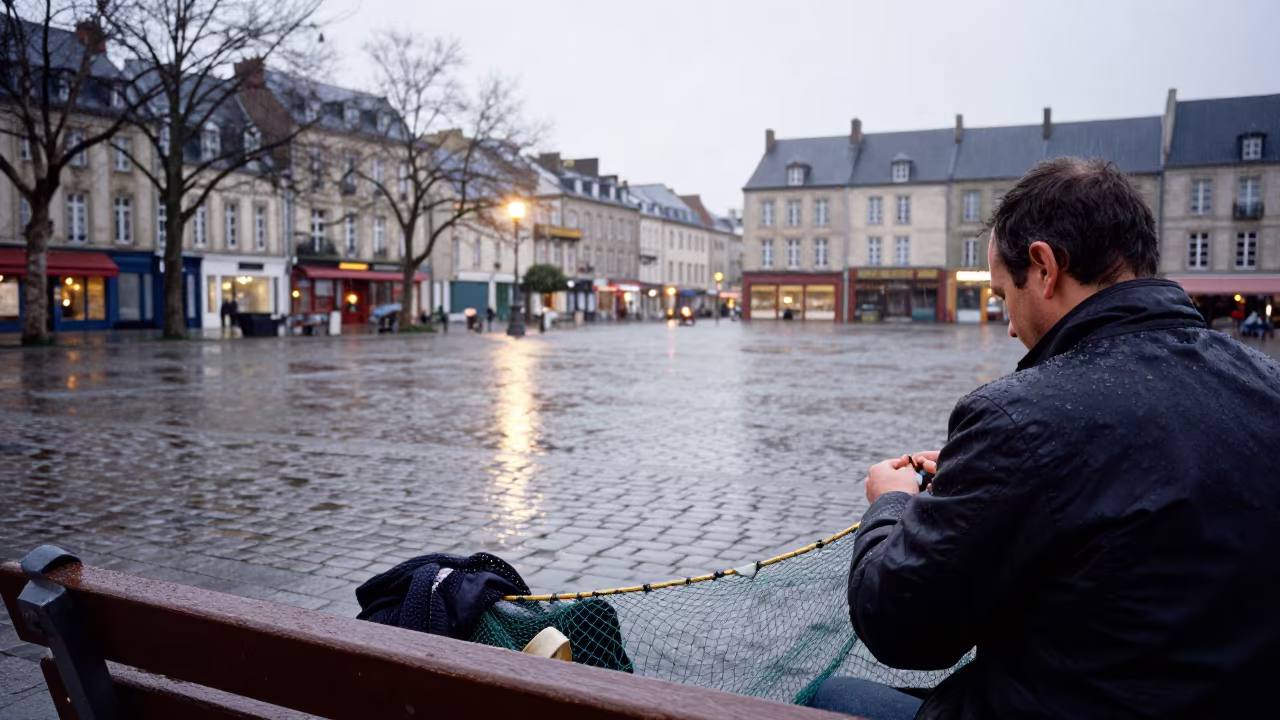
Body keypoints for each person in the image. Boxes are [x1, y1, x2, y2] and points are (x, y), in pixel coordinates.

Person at [811, 158, 1280, 719]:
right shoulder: (1267, 383)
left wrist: (892, 505)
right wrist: (977, 484)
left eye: (1003, 294)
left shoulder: (1019, 417)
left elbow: (901, 627)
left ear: (1043, 268)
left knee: (833, 698)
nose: (1008, 324)